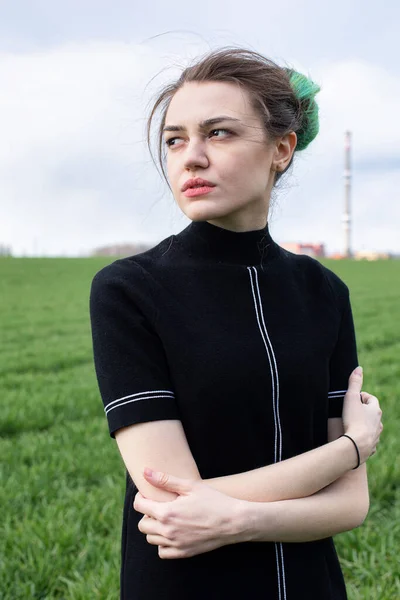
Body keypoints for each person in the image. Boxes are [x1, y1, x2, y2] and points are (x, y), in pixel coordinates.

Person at [89, 47, 383, 600]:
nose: (190, 158)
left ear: (282, 148)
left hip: (311, 585)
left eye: (218, 133)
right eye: (175, 139)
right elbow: (174, 505)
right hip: (184, 584)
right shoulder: (128, 290)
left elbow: (350, 504)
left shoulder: (324, 292)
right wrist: (348, 448)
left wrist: (232, 518)